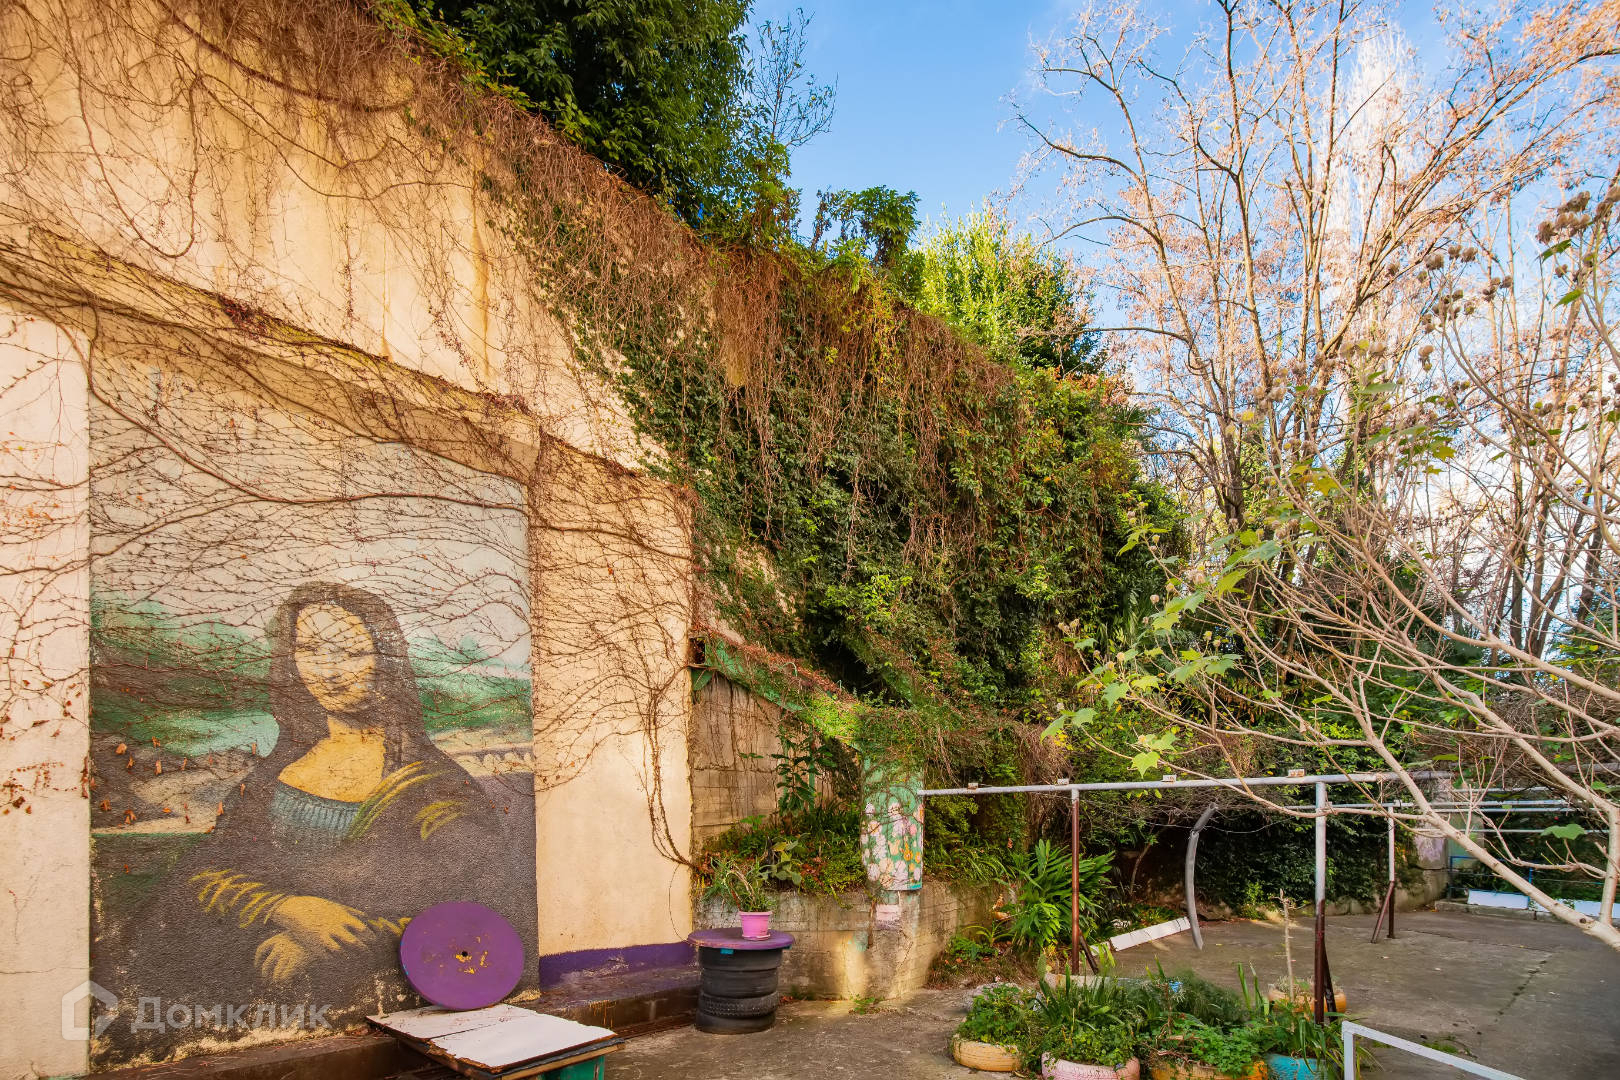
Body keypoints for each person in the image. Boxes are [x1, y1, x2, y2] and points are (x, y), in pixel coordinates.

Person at [124, 582, 527, 1010]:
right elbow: (208, 870)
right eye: (311, 649)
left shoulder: (431, 784)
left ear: (386, 661)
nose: (328, 671)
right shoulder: (280, 769)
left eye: (351, 653)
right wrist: (287, 910)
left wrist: (338, 939)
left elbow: (479, 901)